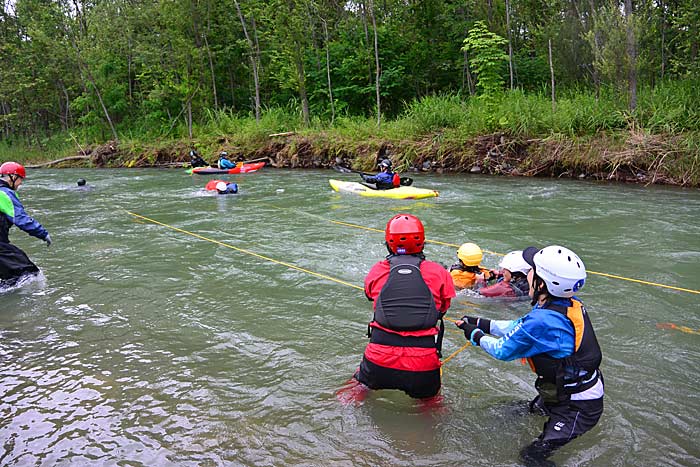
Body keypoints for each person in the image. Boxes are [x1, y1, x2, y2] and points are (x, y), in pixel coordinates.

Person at [455, 246, 603, 466]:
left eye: (531, 270)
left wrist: (475, 335)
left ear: (542, 284)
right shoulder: (567, 305)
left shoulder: (543, 321)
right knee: (519, 411)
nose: (527, 274)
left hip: (577, 406)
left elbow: (502, 350)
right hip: (567, 389)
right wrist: (482, 323)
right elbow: (519, 327)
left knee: (531, 457)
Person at [343, 214, 456, 401]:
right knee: (432, 405)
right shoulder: (440, 272)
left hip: (379, 356)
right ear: (422, 241)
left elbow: (371, 296)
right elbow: (443, 308)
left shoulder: (377, 270)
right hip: (423, 362)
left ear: (389, 243)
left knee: (356, 388)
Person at [0, 162, 51, 286]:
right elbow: (21, 219)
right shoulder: (4, 194)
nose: (21, 183)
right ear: (12, 177)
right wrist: (43, 234)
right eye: (20, 179)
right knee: (29, 273)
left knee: (10, 276)